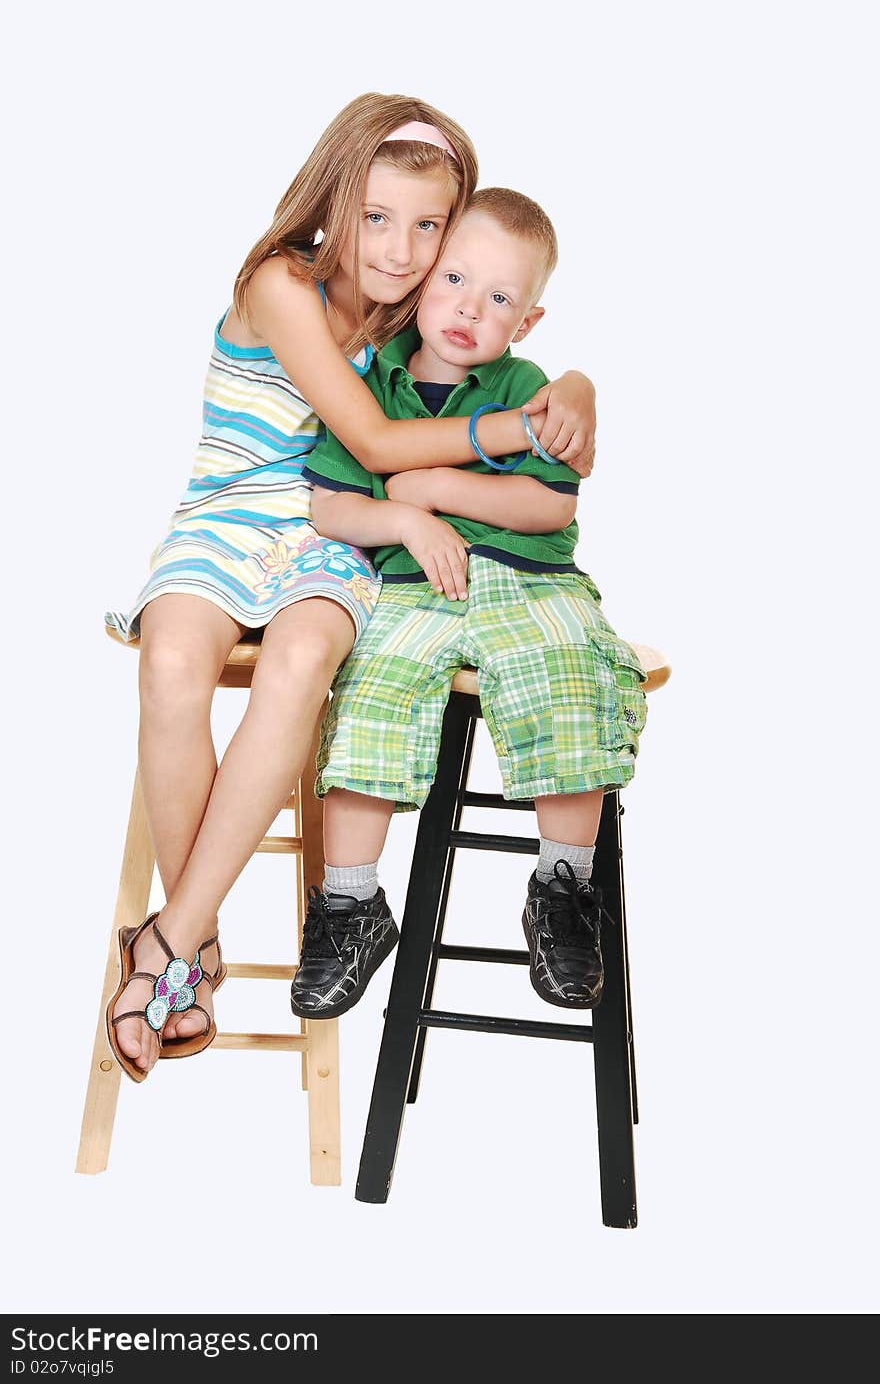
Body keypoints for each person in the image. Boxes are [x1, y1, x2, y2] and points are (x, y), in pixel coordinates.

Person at [105, 98, 599, 1082]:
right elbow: (374, 444)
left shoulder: (411, 316)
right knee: (170, 663)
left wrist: (575, 384)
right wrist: (515, 435)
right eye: (377, 218)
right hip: (226, 520)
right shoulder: (280, 282)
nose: (402, 249)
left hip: (334, 534)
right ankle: (190, 944)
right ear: (335, 202)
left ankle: (169, 947)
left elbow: (497, 347)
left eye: (428, 228)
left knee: (297, 665)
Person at [291, 188, 646, 1021]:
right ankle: (350, 904)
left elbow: (553, 506)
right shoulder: (369, 383)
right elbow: (329, 507)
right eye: (454, 278)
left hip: (532, 582)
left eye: (498, 299)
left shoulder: (529, 388)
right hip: (414, 588)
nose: (466, 308)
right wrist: (404, 516)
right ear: (422, 278)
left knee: (566, 673)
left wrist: (440, 483)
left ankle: (563, 890)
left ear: (526, 322)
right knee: (372, 683)